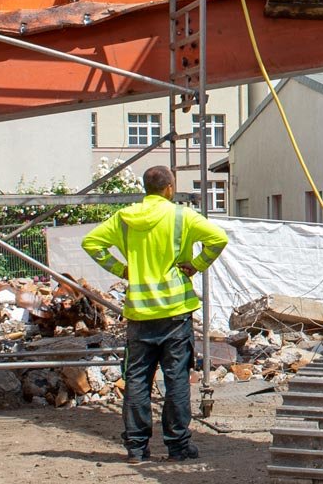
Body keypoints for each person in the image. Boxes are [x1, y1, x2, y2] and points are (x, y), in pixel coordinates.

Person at [81, 167, 228, 464]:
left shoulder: (125, 218)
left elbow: (91, 243)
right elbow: (218, 238)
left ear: (145, 189)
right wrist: (197, 264)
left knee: (136, 379)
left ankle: (136, 448)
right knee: (175, 379)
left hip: (139, 312)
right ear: (170, 188)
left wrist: (122, 269)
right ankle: (177, 446)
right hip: (175, 312)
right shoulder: (180, 216)